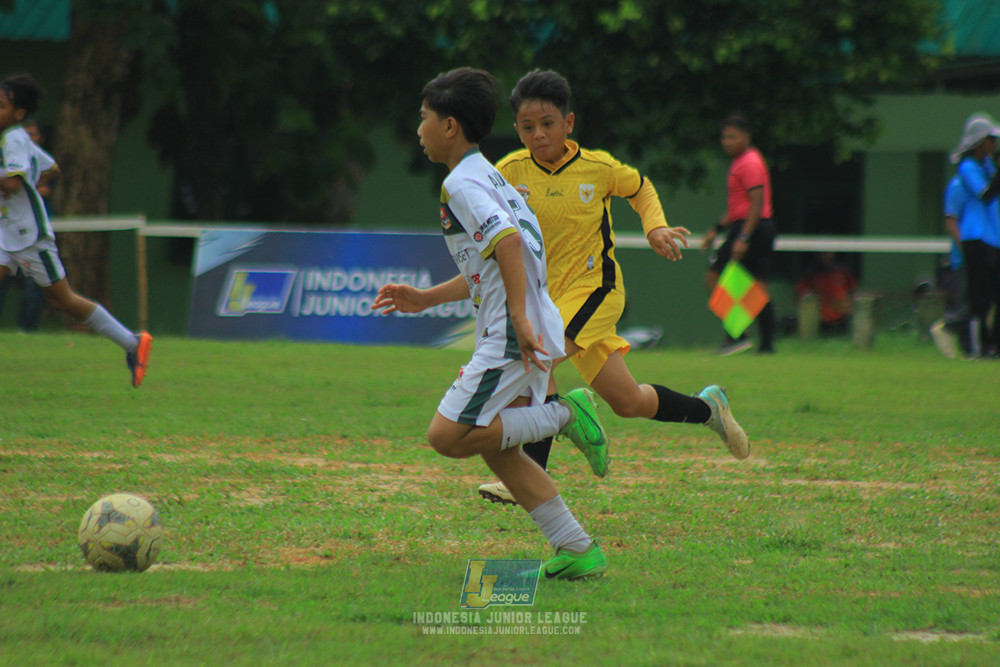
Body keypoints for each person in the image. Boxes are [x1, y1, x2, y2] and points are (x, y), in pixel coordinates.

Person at [371, 67, 608, 579]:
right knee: (499, 450)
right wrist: (427, 298)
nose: (419, 129)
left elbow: (508, 243)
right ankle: (577, 548)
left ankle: (565, 415)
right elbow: (495, 261)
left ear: (450, 125)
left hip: (512, 330)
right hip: (528, 322)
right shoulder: (490, 174)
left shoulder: (460, 182)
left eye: (424, 118)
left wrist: (518, 319)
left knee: (447, 436)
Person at [475, 69, 749, 507]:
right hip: (547, 297)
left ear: (569, 122)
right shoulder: (508, 171)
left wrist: (655, 227)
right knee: (628, 401)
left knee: (537, 360)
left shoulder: (597, 168)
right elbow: (486, 223)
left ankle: (530, 470)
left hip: (595, 290)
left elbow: (640, 189)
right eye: (528, 127)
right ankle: (709, 409)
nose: (539, 134)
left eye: (548, 124)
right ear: (516, 130)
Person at [0, 73, 153, 386]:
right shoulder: (14, 138)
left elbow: (14, 183)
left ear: (19, 114)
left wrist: (28, 190)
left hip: (28, 237)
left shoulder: (14, 138)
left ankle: (133, 343)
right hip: (5, 232)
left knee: (64, 301)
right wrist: (37, 186)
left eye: (0, 106)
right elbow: (50, 167)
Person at [701, 113, 777, 355]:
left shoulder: (750, 162)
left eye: (733, 136)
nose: (727, 142)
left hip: (752, 227)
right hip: (750, 226)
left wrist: (743, 238)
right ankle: (766, 345)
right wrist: (717, 229)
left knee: (715, 278)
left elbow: (756, 204)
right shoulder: (740, 161)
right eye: (724, 137)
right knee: (755, 288)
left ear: (747, 137)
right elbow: (738, 207)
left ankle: (737, 336)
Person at [949, 112, 1000, 358]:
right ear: (981, 142)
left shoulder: (987, 165)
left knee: (992, 294)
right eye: (991, 139)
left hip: (992, 236)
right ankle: (978, 345)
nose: (994, 144)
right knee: (980, 297)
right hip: (976, 237)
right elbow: (986, 194)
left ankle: (993, 344)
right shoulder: (968, 167)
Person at [0, 117, 51, 332]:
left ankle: (26, 330)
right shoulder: (10, 146)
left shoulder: (23, 146)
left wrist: (35, 191)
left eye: (34, 134)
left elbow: (50, 169)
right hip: (7, 231)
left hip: (30, 235)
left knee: (53, 295)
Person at [930, 174, 972, 358]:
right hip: (967, 257)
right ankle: (947, 326)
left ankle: (969, 350)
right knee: (974, 302)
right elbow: (951, 219)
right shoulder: (959, 185)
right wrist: (967, 250)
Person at [795, 252, 858, 335]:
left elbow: (852, 290)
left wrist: (850, 307)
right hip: (820, 318)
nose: (825, 256)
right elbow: (801, 294)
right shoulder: (810, 274)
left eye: (828, 253)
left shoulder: (843, 271)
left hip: (841, 317)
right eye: (822, 253)